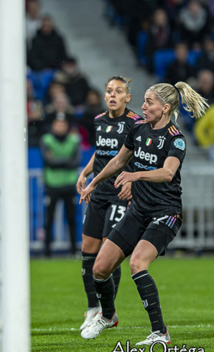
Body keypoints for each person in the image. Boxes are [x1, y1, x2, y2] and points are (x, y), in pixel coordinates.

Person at [79, 82, 209, 344]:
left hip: (165, 213)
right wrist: (93, 181)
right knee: (100, 269)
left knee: (138, 264)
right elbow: (118, 161)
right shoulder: (137, 129)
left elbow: (168, 172)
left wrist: (136, 176)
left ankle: (160, 333)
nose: (144, 106)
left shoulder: (176, 139)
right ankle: (107, 315)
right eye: (145, 100)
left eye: (149, 102)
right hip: (138, 211)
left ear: (165, 107)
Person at [75, 76, 142, 331]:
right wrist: (85, 172)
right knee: (88, 249)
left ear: (128, 97)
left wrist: (134, 182)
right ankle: (92, 308)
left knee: (108, 251)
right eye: (109, 91)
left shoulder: (136, 123)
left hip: (119, 194)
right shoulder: (100, 121)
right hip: (99, 192)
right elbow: (102, 152)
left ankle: (107, 310)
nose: (113, 95)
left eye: (119, 91)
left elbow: (136, 156)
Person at [39, 114, 81, 257]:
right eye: (58, 124)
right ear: (53, 126)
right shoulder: (46, 140)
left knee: (71, 219)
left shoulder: (74, 140)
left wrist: (56, 160)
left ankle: (74, 250)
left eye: (63, 124)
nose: (60, 127)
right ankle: (47, 252)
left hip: (69, 185)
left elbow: (75, 163)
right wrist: (66, 161)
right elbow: (48, 161)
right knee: (49, 219)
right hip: (52, 185)